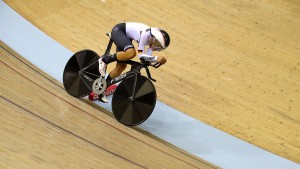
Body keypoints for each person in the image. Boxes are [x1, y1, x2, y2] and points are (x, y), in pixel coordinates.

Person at [94, 22, 170, 103]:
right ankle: (104, 60)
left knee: (121, 67)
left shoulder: (152, 41)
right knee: (131, 53)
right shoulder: (145, 34)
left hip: (125, 37)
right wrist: (156, 58)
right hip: (119, 31)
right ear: (155, 37)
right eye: (157, 43)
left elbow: (146, 57)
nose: (157, 46)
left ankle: (102, 88)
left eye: (159, 45)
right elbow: (141, 55)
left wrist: (157, 60)